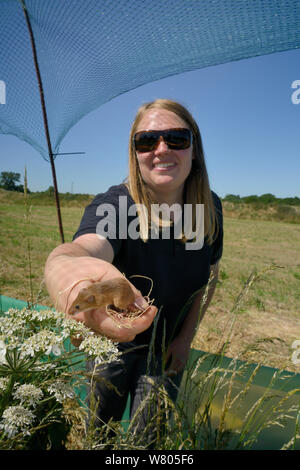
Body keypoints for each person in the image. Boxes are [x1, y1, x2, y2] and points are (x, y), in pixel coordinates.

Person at [44, 98, 223, 448]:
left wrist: (185, 338)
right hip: (111, 348)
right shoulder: (114, 205)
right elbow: (86, 246)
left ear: (194, 149)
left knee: (149, 442)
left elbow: (208, 278)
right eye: (146, 141)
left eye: (176, 138)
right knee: (101, 436)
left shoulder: (209, 207)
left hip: (167, 348)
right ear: (134, 152)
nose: (161, 149)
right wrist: (66, 264)